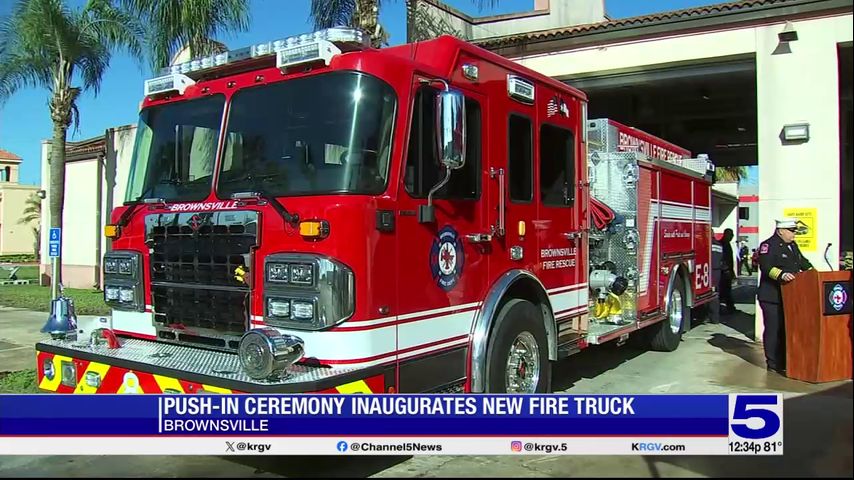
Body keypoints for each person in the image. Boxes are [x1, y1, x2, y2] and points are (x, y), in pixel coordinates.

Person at [757, 218, 814, 374]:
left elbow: (802, 262)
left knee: (786, 329)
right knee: (773, 329)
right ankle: (773, 363)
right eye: (791, 231)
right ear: (780, 231)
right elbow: (766, 267)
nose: (794, 234)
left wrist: (814, 273)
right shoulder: (768, 245)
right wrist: (781, 275)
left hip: (789, 297)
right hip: (772, 296)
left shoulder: (792, 246)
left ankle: (785, 361)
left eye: (794, 231)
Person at [718, 228, 736, 314]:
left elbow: (730, 260)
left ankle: (730, 307)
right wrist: (726, 270)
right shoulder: (722, 244)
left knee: (727, 290)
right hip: (723, 272)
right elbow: (722, 259)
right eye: (731, 235)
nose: (732, 237)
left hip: (727, 271)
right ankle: (728, 308)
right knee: (724, 290)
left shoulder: (727, 244)